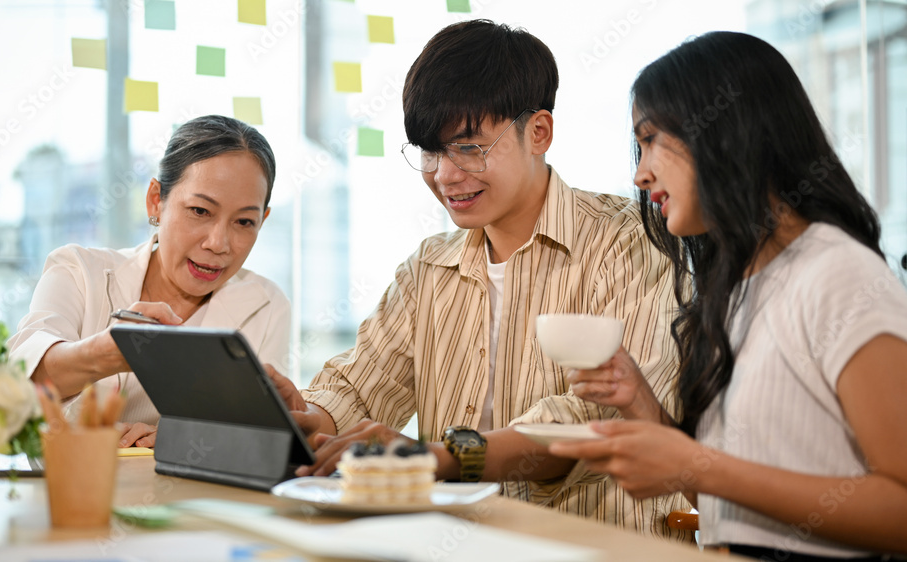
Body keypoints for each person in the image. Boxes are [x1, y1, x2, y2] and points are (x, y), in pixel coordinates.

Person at [269, 19, 692, 540]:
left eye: (469, 148)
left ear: (539, 132)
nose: (445, 175)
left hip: (594, 546)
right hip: (450, 544)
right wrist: (307, 415)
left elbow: (591, 419)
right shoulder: (429, 268)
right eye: (431, 151)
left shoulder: (629, 242)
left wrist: (439, 457)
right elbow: (359, 388)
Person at [549, 31, 907, 559]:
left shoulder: (837, 274)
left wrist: (698, 465)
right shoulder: (737, 288)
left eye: (651, 140)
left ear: (723, 134)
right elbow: (726, 504)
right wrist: (637, 399)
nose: (639, 172)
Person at [8, 115, 290, 448]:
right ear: (156, 200)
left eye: (244, 221)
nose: (219, 243)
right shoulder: (78, 272)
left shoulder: (267, 306)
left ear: (263, 221)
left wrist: (176, 441)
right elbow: (18, 384)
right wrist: (106, 353)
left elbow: (259, 442)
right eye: (200, 211)